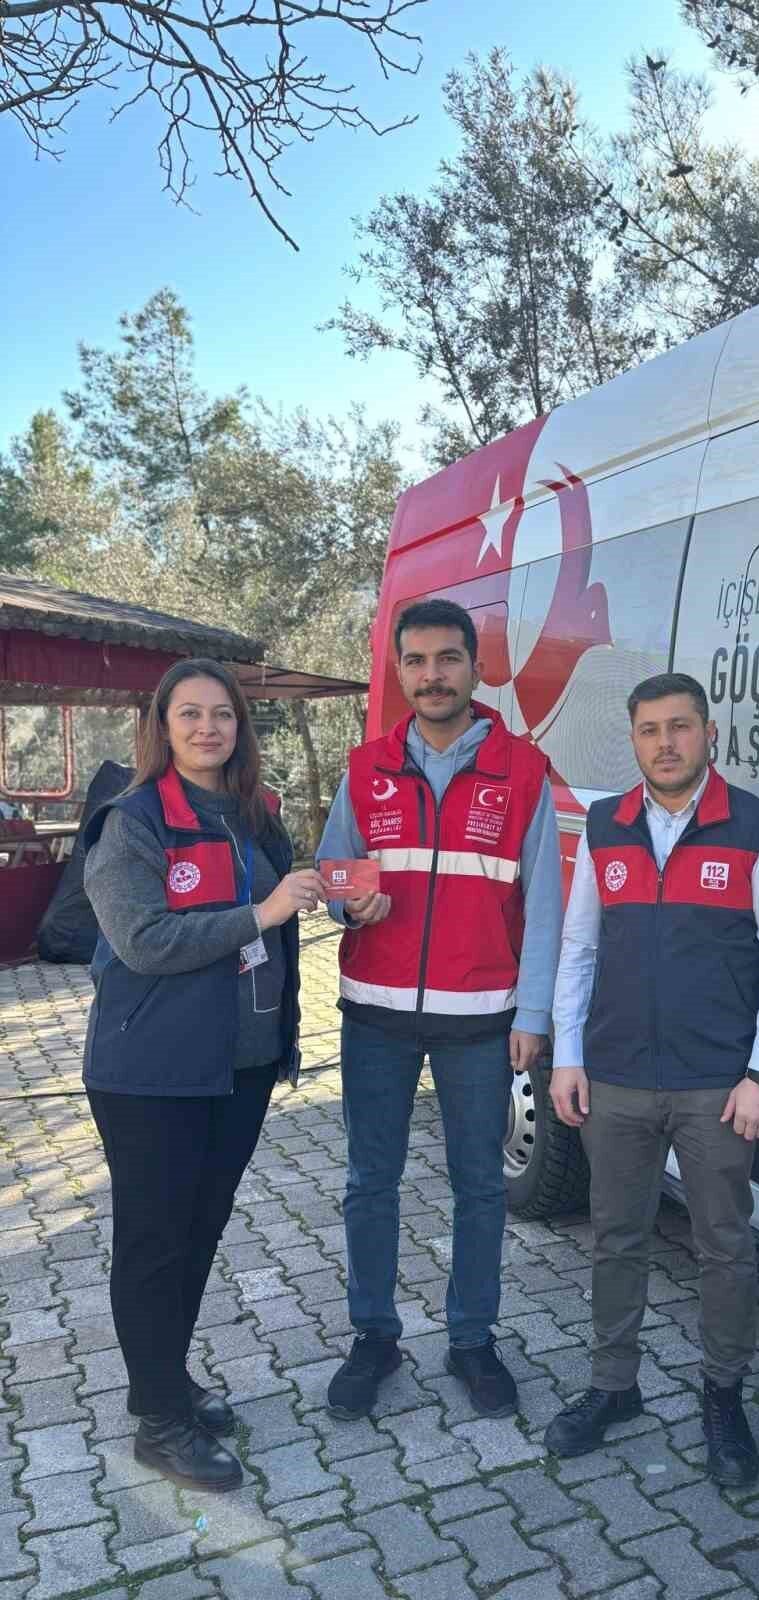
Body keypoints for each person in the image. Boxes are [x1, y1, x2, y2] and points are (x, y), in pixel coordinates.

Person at [545, 671, 759, 1486]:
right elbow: (580, 948)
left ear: (709, 733)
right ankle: (613, 1386)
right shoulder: (606, 826)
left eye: (681, 726)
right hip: (616, 1076)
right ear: (633, 739)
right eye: (650, 730)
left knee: (723, 1247)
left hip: (716, 1085)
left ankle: (723, 1399)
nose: (666, 743)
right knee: (616, 1236)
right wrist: (567, 1055)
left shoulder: (758, 828)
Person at [82, 658, 326, 1493]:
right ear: (162, 725)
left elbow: (281, 924)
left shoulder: (257, 815)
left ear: (240, 727)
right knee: (154, 1243)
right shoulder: (133, 822)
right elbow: (144, 941)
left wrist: (326, 901)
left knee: (199, 1230)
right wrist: (263, 912)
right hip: (152, 1071)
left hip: (241, 1066)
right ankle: (159, 1425)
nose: (207, 728)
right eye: (189, 714)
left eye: (222, 714)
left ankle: (163, 1380)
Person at [317, 598, 562, 1422]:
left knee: (480, 1186)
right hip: (375, 1015)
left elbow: (547, 906)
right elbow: (335, 870)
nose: (433, 675)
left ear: (475, 667)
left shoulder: (522, 771)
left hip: (482, 1018)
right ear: (399, 671)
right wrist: (348, 905)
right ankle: (374, 1338)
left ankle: (472, 1340)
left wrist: (534, 1014)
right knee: (369, 1183)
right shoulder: (366, 768)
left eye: (449, 658)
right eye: (417, 661)